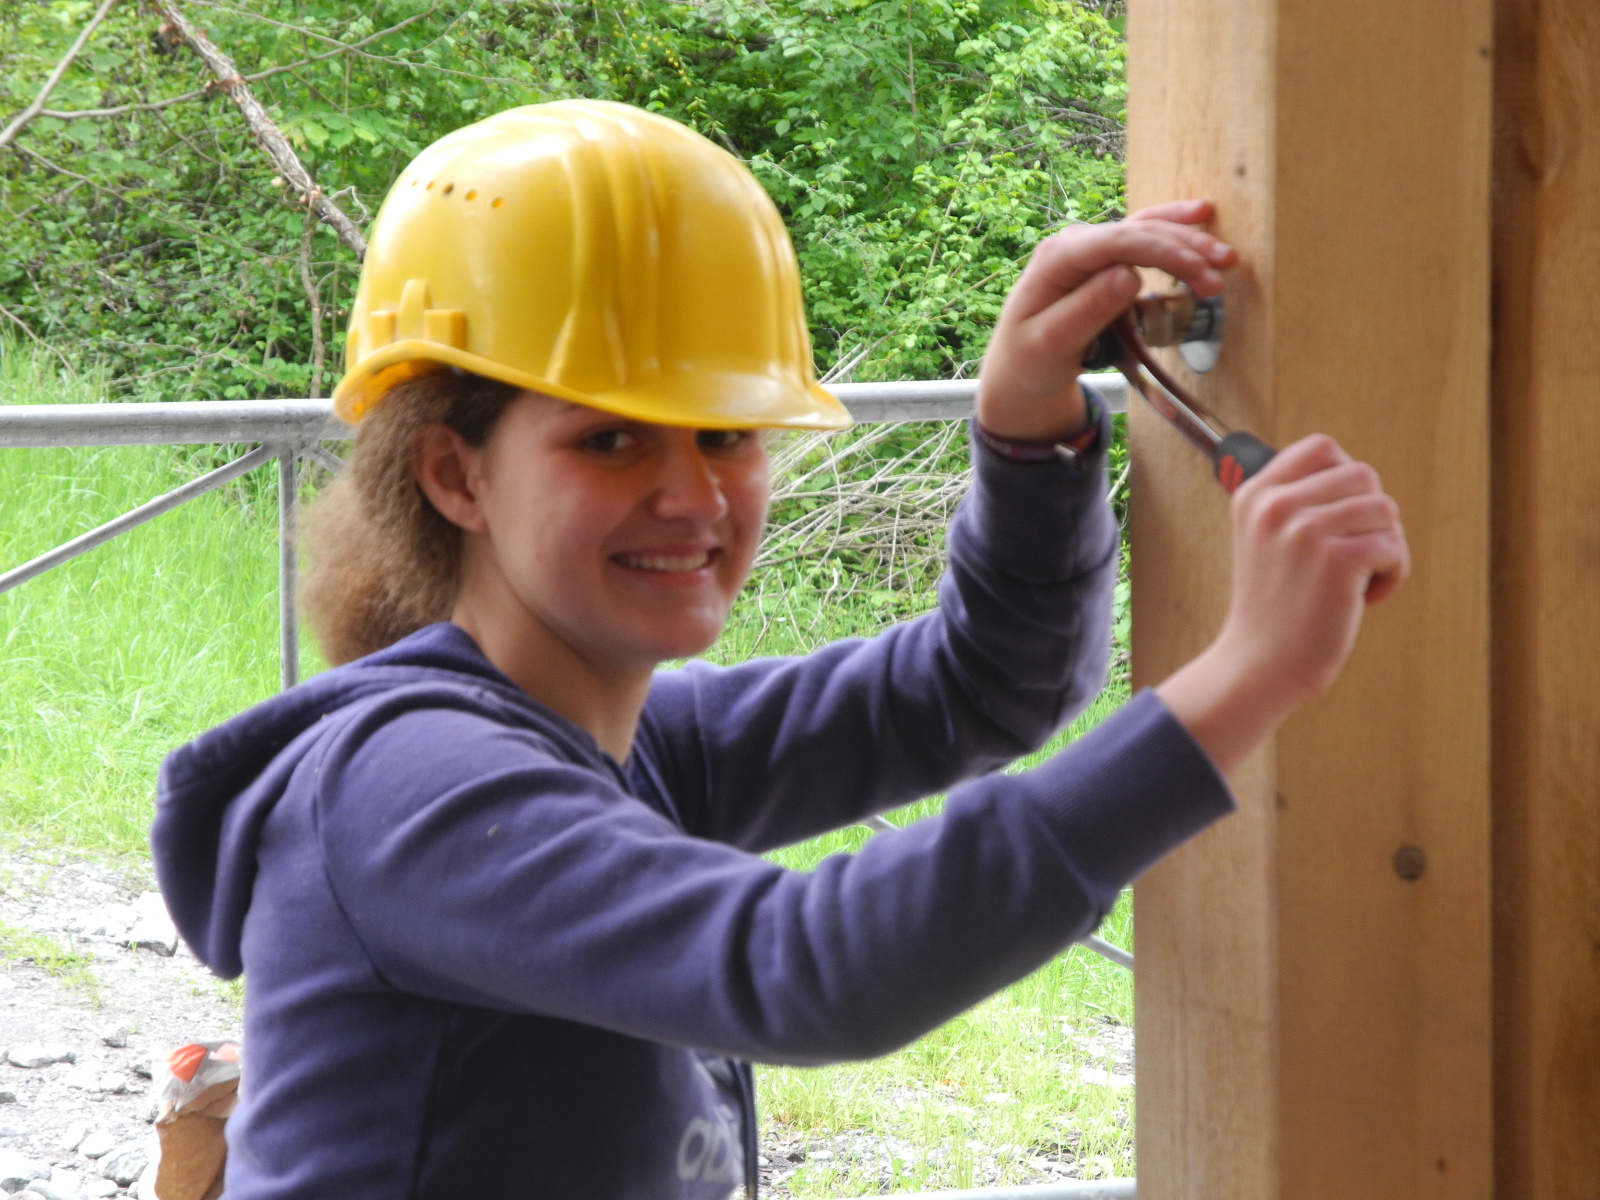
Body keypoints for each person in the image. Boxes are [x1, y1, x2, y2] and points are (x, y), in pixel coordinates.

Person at [154, 100, 1408, 1200]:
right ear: (454, 474)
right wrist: (1251, 673)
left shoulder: (633, 744)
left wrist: (1029, 423)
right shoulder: (409, 788)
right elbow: (808, 967)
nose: (693, 496)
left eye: (726, 434)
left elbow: (980, 688)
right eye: (609, 440)